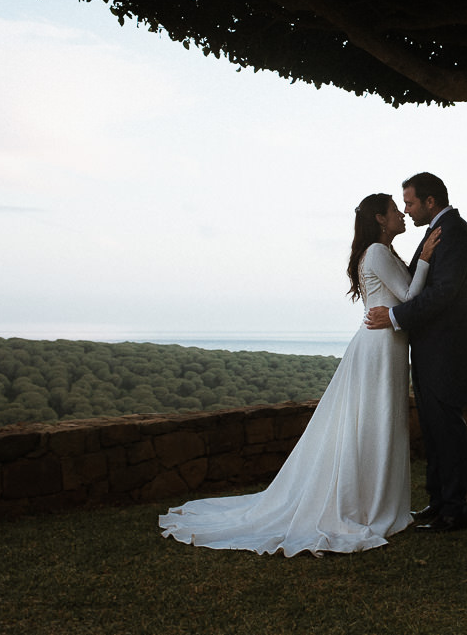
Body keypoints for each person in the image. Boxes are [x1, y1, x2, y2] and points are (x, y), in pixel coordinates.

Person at [159, 193, 440, 557]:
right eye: (394, 209)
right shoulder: (375, 252)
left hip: (388, 345)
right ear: (379, 219)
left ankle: (379, 501)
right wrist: (426, 259)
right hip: (379, 347)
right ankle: (367, 505)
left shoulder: (383, 252)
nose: (402, 213)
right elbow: (408, 295)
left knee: (381, 421)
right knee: (375, 420)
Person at [366, 172, 467, 533]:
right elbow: (416, 283)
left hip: (444, 348)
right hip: (429, 348)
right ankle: (438, 501)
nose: (407, 210)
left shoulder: (454, 232)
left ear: (430, 201)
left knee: (447, 429)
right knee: (433, 429)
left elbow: (442, 293)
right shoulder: (436, 232)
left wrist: (393, 317)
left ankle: (455, 511)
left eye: (410, 202)